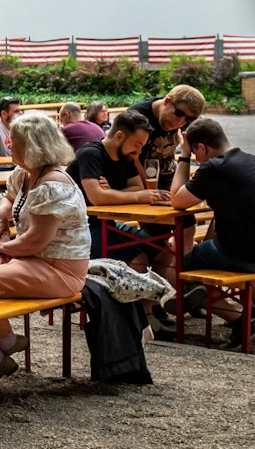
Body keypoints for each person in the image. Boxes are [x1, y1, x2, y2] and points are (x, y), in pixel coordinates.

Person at [0, 113, 89, 389]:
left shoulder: (53, 185)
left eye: (16, 141)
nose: (8, 143)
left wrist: (2, 246)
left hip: (58, 270)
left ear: (33, 146)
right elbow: (9, 198)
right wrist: (1, 215)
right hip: (35, 263)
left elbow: (36, 241)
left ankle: (2, 349)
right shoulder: (26, 174)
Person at [169, 117, 255, 347]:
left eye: (196, 153)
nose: (197, 158)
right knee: (203, 256)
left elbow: (177, 200)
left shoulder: (215, 167)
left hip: (251, 255)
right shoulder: (250, 159)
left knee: (179, 267)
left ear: (202, 148)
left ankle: (240, 322)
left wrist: (184, 156)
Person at [69, 111, 175, 325]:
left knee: (164, 252)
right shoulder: (90, 153)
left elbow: (136, 186)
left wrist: (115, 193)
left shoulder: (126, 155)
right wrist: (129, 195)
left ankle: (149, 307)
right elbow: (97, 197)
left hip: (106, 222)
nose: (140, 150)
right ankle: (140, 318)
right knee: (139, 259)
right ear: (119, 136)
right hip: (79, 229)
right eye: (137, 143)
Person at [130, 85, 207, 189]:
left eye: (188, 119)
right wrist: (151, 190)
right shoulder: (136, 117)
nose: (180, 123)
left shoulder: (183, 120)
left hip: (170, 182)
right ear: (166, 101)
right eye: (179, 114)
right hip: (141, 185)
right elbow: (131, 160)